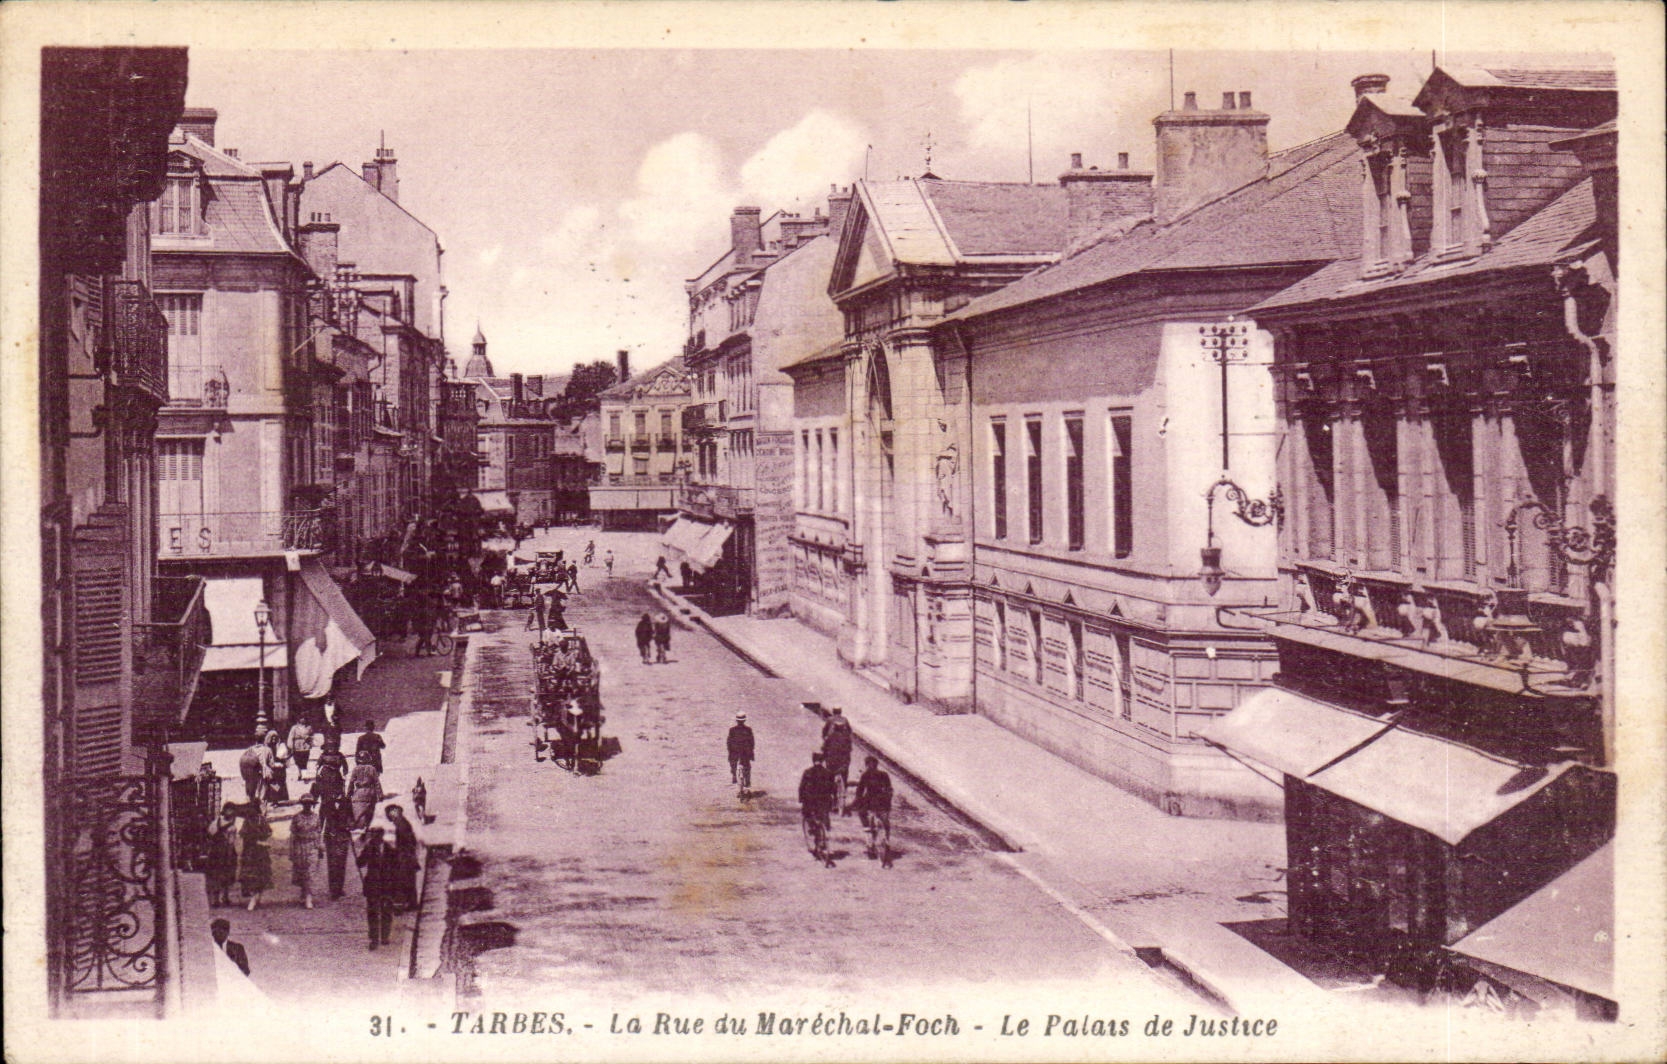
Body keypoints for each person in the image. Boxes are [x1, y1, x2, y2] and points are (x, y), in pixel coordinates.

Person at [356, 826, 399, 951]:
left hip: (386, 884)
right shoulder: (369, 848)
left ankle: (385, 935)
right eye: (372, 835)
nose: (374, 838)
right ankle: (374, 939)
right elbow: (360, 863)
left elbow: (396, 866)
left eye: (376, 835)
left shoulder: (390, 849)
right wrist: (362, 855)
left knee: (386, 910)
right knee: (373, 912)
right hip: (373, 884)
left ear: (381, 836)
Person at [852, 755, 894, 858]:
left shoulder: (865, 775)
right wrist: (888, 799)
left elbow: (860, 791)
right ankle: (887, 840)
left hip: (870, 801)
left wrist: (856, 801)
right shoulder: (884, 774)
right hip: (883, 801)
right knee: (885, 821)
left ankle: (869, 839)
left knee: (862, 814)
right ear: (876, 765)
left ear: (867, 765)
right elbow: (889, 789)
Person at [798, 752, 837, 856]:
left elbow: (802, 788)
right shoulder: (829, 773)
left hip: (811, 801)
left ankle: (813, 830)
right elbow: (833, 788)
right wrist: (834, 800)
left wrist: (801, 799)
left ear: (813, 760)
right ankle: (824, 833)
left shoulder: (807, 772)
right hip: (824, 801)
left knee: (808, 815)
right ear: (822, 761)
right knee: (824, 817)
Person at [385, 804, 421, 911]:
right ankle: (411, 903)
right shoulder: (402, 821)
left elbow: (406, 840)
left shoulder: (400, 823)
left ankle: (408, 903)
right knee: (409, 879)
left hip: (405, 856)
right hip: (408, 855)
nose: (390, 816)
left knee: (405, 879)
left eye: (390, 813)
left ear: (395, 811)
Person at [289, 795, 323, 909]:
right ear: (302, 804)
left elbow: (319, 833)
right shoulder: (296, 817)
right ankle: (304, 892)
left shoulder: (317, 817)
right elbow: (292, 835)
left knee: (311, 872)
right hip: (300, 846)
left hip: (312, 847)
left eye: (309, 803)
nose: (307, 806)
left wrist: (320, 847)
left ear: (312, 805)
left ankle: (309, 897)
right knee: (302, 872)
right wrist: (292, 851)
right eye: (305, 803)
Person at [205, 803, 240, 907]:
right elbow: (231, 842)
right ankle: (223, 898)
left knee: (217, 875)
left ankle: (218, 899)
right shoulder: (232, 826)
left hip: (215, 852)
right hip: (225, 852)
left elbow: (210, 834)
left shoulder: (215, 822)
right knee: (225, 874)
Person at [320, 793, 355, 901]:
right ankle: (333, 890)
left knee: (341, 863)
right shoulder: (326, 803)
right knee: (332, 863)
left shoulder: (347, 803)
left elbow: (352, 819)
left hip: (343, 837)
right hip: (330, 838)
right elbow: (321, 822)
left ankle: (339, 888)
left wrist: (349, 826)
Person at [238, 805, 273, 910]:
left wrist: (262, 836)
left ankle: (258, 896)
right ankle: (253, 896)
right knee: (250, 874)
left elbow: (269, 831)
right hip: (249, 850)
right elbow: (242, 833)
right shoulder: (247, 821)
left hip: (260, 850)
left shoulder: (261, 819)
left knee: (261, 873)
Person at [821, 707, 854, 814]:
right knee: (844, 776)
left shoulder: (830, 731)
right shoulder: (846, 728)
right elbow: (850, 745)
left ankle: (833, 798)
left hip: (832, 761)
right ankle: (843, 794)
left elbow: (824, 736)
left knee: (830, 777)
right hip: (844, 761)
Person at [348, 750, 383, 833]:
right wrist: (380, 794)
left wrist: (349, 792)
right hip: (370, 793)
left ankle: (359, 825)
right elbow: (377, 783)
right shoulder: (372, 769)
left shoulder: (356, 769)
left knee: (358, 811)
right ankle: (366, 826)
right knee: (370, 811)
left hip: (358, 793)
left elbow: (351, 782)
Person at [262, 730, 290, 807]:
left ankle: (276, 801)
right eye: (272, 738)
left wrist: (283, 764)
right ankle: (274, 801)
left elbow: (285, 758)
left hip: (279, 769)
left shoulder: (281, 746)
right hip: (271, 769)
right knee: (271, 785)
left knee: (278, 784)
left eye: (275, 738)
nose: (274, 740)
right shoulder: (266, 747)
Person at [727, 712, 755, 790]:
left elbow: (729, 742)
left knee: (733, 763)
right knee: (747, 767)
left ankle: (734, 776)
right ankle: (748, 782)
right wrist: (751, 754)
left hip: (735, 752)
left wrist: (730, 751)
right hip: (745, 752)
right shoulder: (748, 730)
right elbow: (752, 742)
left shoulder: (732, 730)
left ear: (737, 720)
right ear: (744, 720)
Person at [238, 735, 268, 805]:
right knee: (260, 790)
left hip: (248, 772)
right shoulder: (267, 750)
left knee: (249, 788)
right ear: (264, 740)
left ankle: (249, 802)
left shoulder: (249, 749)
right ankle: (259, 806)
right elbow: (271, 764)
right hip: (258, 772)